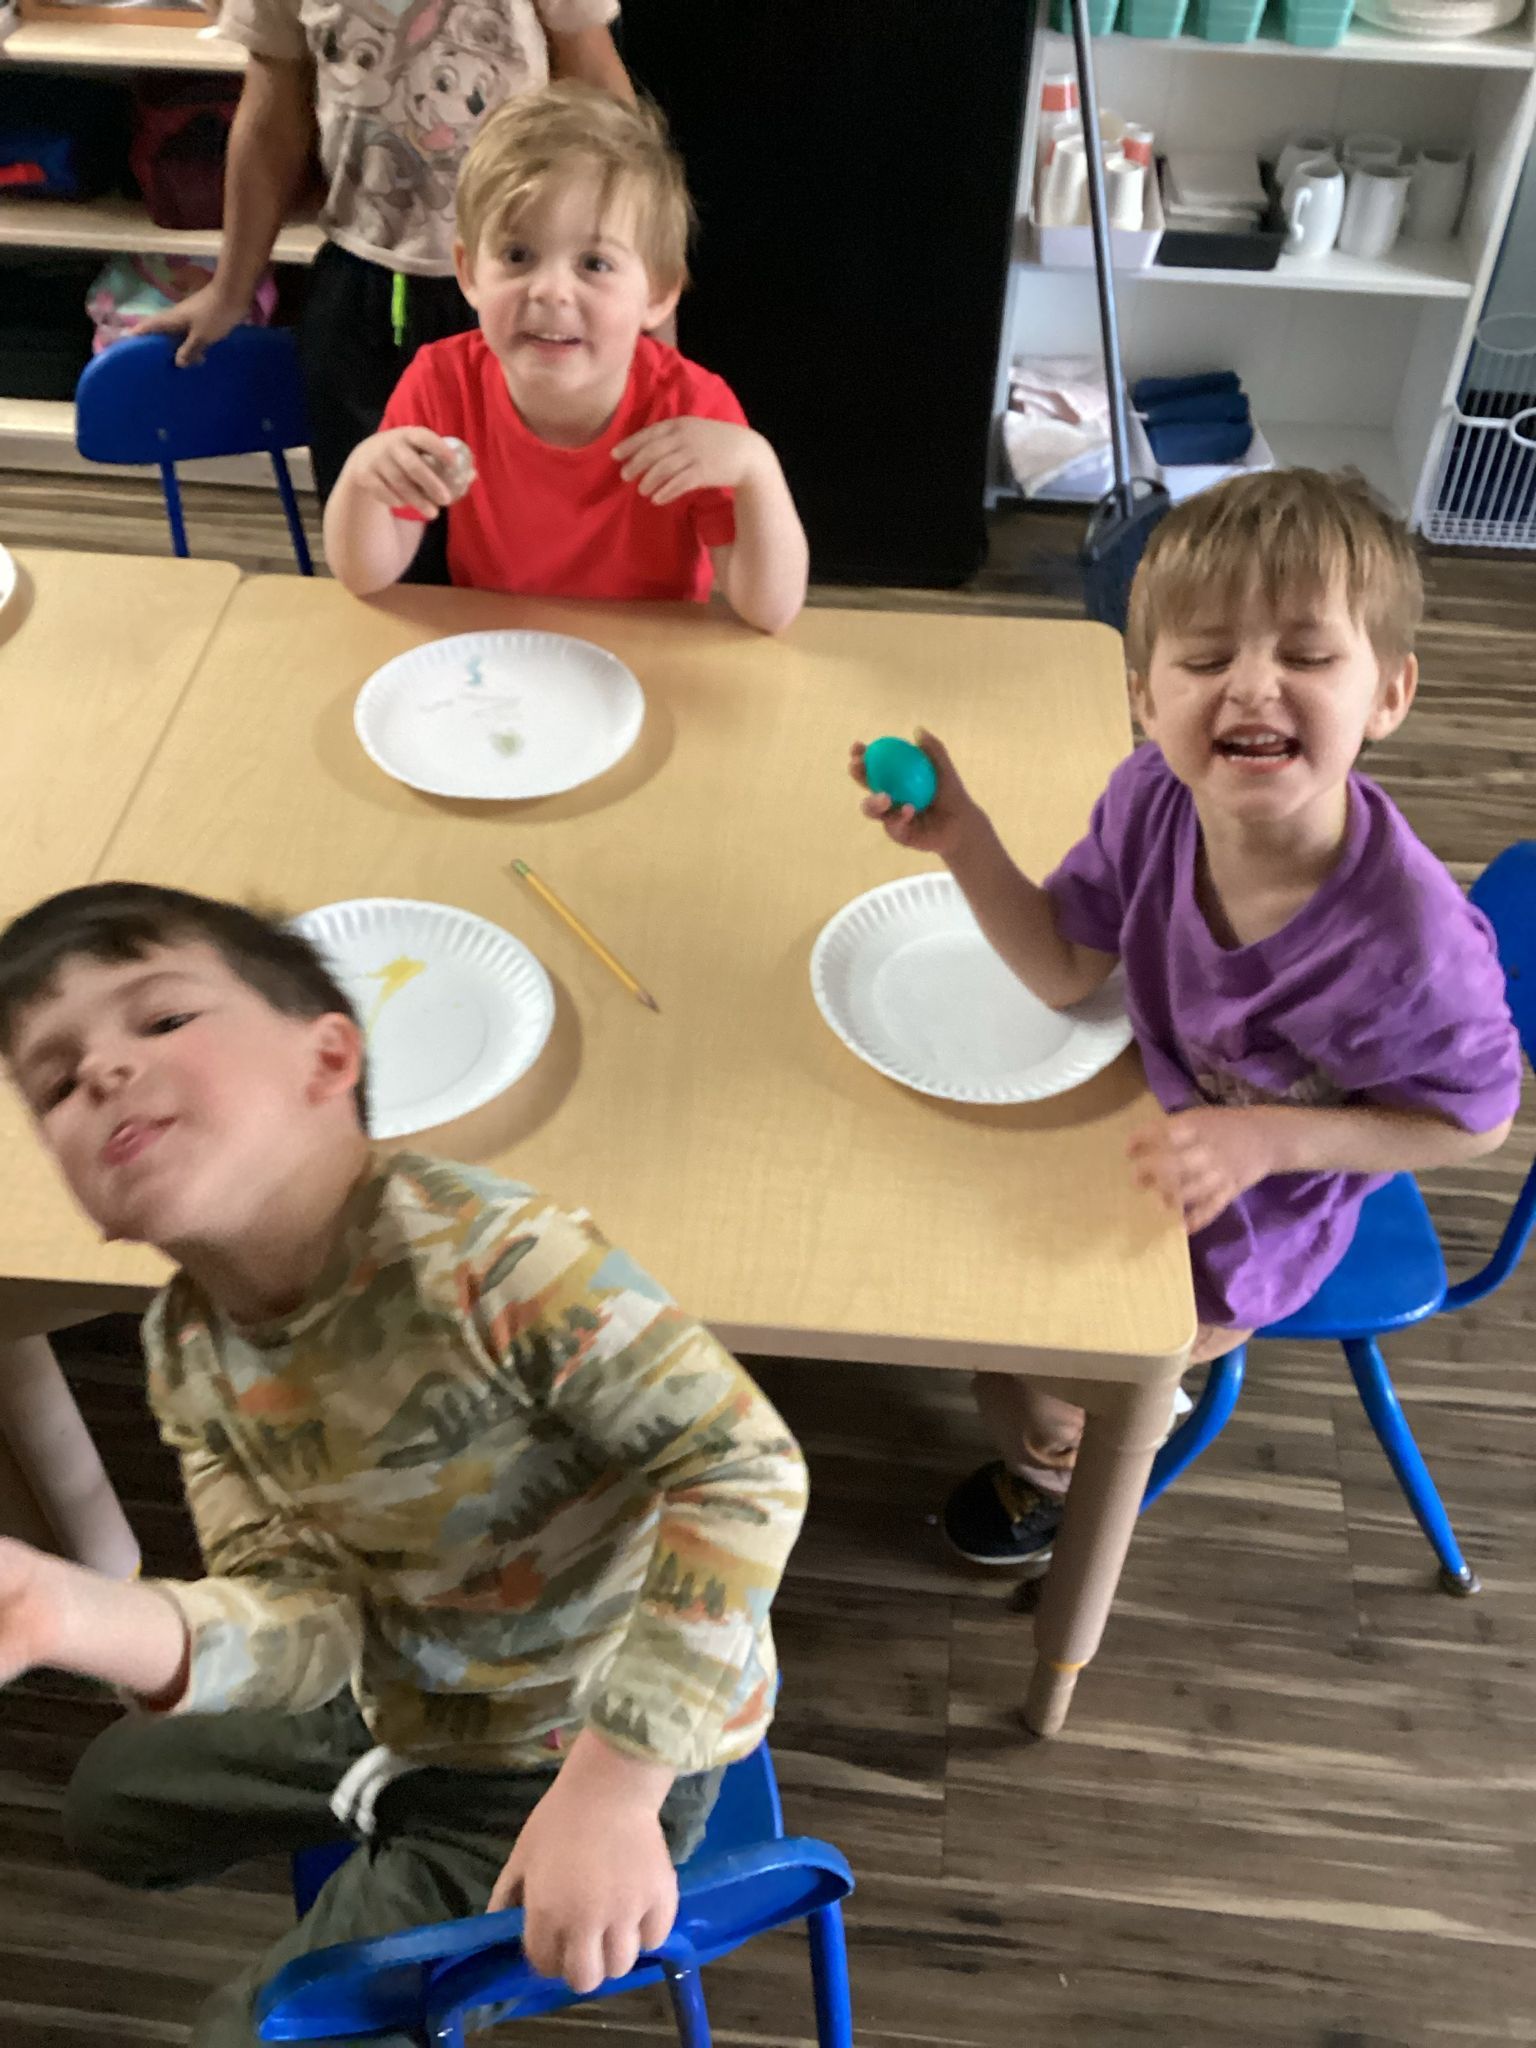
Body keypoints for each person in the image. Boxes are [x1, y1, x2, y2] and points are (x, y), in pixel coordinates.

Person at [0, 882, 808, 2047]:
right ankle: (384, 1805)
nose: (106, 1073)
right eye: (57, 1081)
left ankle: (414, 1838)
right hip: (402, 1688)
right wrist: (64, 1610)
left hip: (595, 1734)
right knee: (109, 1807)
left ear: (329, 1056)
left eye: (163, 1018)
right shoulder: (185, 1353)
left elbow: (741, 1466)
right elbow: (305, 1621)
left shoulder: (492, 1259)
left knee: (251, 2031)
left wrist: (618, 1781)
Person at [851, 468, 1522, 1570]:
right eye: (1207, 658)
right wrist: (964, 837)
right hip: (1133, 1118)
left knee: (1043, 1378)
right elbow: (1069, 968)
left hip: (1253, 1226)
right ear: (1145, 697)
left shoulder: (1410, 945)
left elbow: (1477, 1123)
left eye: (1307, 655)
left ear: (1389, 694)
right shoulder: (1149, 797)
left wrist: (1276, 1138)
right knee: (957, 1284)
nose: (1252, 687)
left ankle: (1060, 1465)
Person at [323, 84, 808, 633]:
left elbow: (770, 610)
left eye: (595, 263)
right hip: (502, 659)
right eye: (518, 255)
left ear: (658, 294)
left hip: (648, 664)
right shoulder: (442, 380)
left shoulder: (692, 406)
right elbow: (366, 576)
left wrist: (757, 470)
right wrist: (363, 476)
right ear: (469, 273)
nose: (550, 290)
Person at [141, 0, 634, 520]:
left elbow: (601, 102)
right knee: (376, 523)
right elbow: (271, 123)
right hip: (362, 293)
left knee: (522, 530)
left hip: (522, 292)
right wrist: (229, 292)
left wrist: (634, 276)